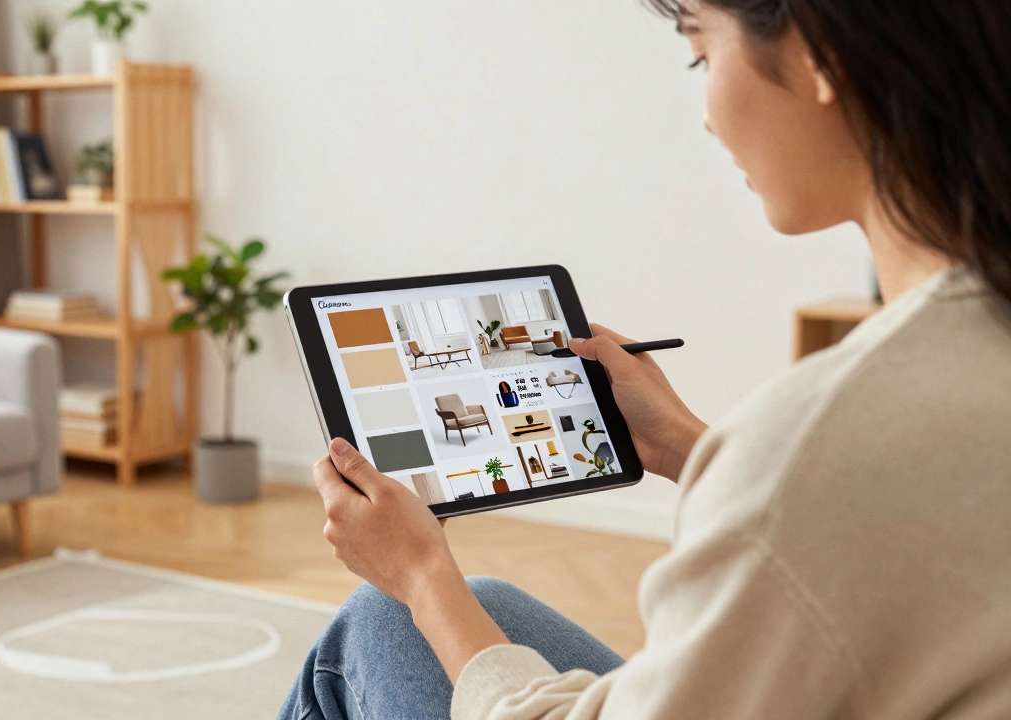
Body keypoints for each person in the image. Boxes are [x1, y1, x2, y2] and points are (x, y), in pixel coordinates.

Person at [279, 0, 1011, 717]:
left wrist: (421, 573)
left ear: (824, 58)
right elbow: (895, 529)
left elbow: (810, 498)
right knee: (490, 605)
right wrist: (691, 449)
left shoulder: (817, 440)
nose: (706, 113)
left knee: (380, 622)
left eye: (701, 52)